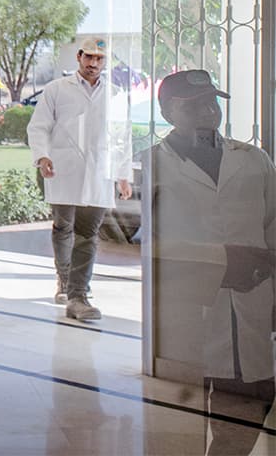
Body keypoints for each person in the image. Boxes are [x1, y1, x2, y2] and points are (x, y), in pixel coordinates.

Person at [146, 69, 274, 455]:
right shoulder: (153, 164)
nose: (208, 112)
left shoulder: (252, 159)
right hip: (190, 307)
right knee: (187, 409)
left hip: (253, 299)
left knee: (255, 391)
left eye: (212, 102)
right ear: (168, 112)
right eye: (193, 105)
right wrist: (221, 260)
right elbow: (150, 242)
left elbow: (273, 225)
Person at [26, 36, 133, 321]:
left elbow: (123, 136)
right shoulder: (57, 89)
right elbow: (38, 127)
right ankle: (64, 280)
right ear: (79, 57)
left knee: (88, 233)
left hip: (99, 172)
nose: (93, 63)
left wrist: (123, 175)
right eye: (89, 57)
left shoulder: (115, 93)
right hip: (64, 169)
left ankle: (78, 294)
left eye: (100, 59)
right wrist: (43, 156)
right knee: (63, 227)